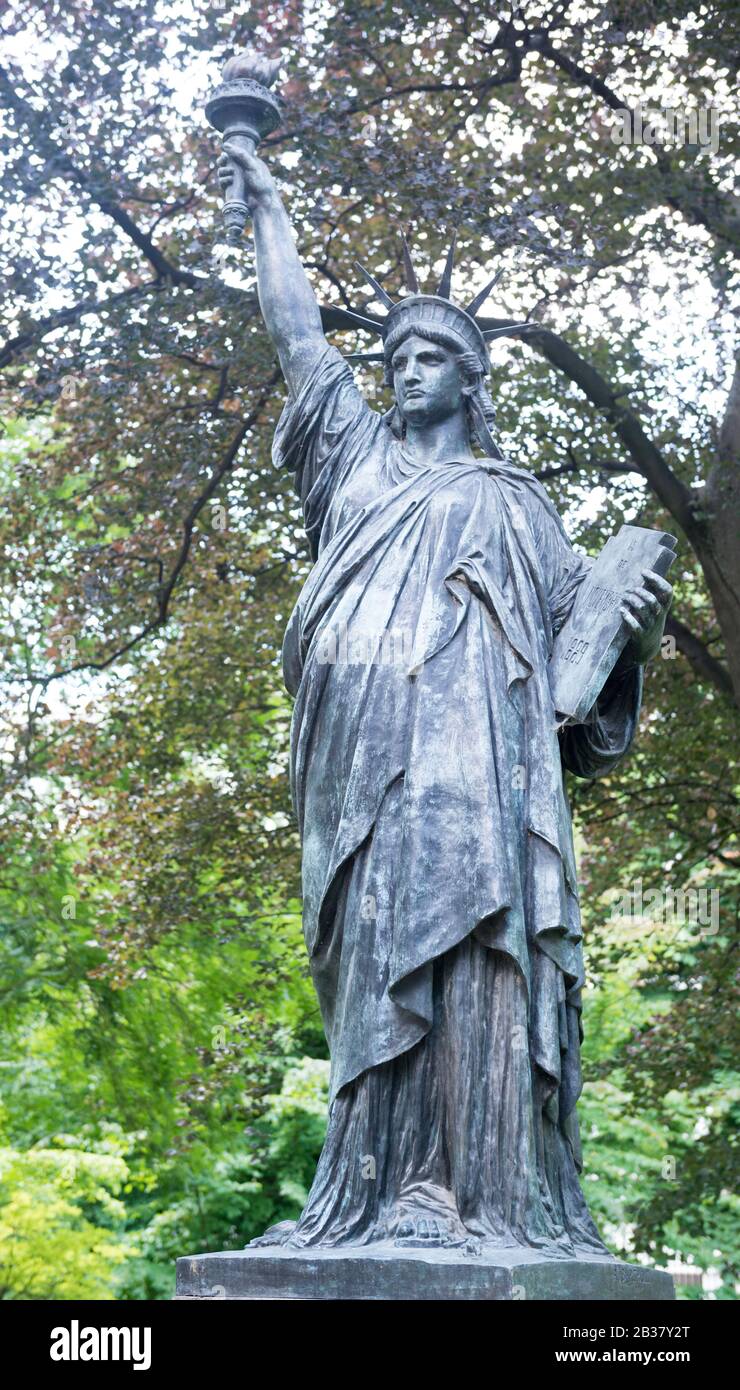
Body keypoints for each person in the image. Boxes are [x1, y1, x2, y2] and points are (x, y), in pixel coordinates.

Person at [218, 141, 672, 1254]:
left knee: (478, 950)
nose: (405, 368)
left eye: (429, 355)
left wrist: (627, 625)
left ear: (470, 378)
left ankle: (479, 1194)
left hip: (477, 769)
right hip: (357, 757)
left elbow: (579, 671)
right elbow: (294, 337)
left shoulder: (518, 505)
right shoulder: (354, 464)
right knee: (375, 961)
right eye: (396, 355)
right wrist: (267, 206)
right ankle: (376, 1187)